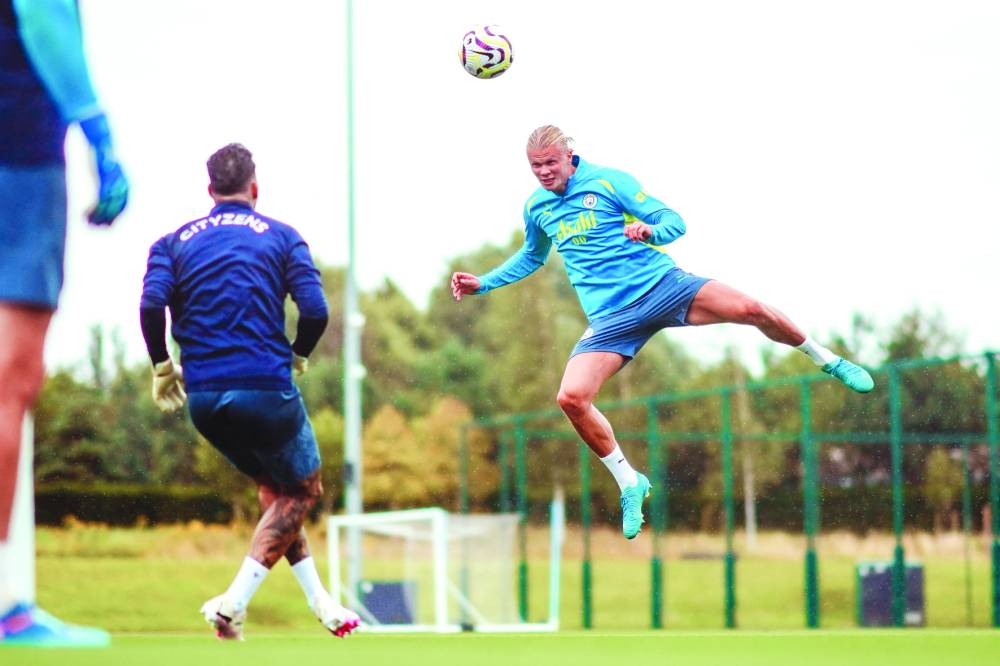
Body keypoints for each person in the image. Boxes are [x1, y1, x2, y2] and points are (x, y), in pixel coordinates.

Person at [451, 125, 874, 540]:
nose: (543, 172)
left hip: (662, 287)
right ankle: (630, 481)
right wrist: (484, 283)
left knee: (751, 308)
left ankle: (829, 360)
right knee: (571, 398)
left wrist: (649, 230)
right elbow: (531, 256)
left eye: (550, 163)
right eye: (535, 166)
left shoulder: (609, 181)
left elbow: (673, 222)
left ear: (569, 158)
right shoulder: (537, 208)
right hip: (611, 319)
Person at [139, 143, 360, 641]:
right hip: (265, 388)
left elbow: (151, 305)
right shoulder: (282, 237)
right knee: (304, 490)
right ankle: (234, 602)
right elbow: (316, 310)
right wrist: (299, 353)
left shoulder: (172, 242)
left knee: (276, 492)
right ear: (254, 189)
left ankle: (321, 603)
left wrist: (161, 366)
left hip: (205, 400)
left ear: (210, 190)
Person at [0, 0, 128, 647]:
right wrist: (97, 132)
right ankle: (2, 605)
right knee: (8, 381)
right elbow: (42, 17)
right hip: (16, 155)